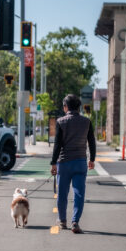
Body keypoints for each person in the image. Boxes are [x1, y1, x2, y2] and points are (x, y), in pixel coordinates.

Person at [49, 94, 96, 233]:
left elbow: (57, 145)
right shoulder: (86, 122)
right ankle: (75, 222)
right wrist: (92, 159)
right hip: (80, 162)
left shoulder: (61, 122)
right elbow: (91, 142)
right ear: (78, 107)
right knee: (79, 193)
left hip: (64, 163)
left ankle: (62, 221)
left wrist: (53, 163)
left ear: (65, 107)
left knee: (62, 193)